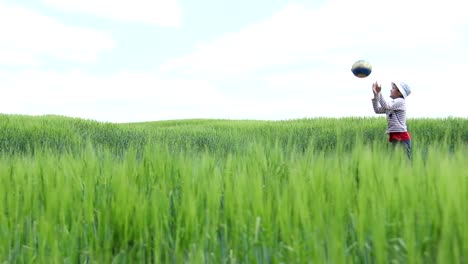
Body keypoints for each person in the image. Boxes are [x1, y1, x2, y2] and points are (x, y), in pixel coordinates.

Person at [372, 81, 412, 159]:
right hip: (395, 135)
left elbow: (386, 105)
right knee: (397, 161)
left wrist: (379, 93)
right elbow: (377, 110)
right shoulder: (392, 105)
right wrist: (375, 95)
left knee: (405, 162)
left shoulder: (400, 101)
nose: (390, 90)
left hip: (401, 136)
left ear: (400, 93)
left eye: (393, 88)